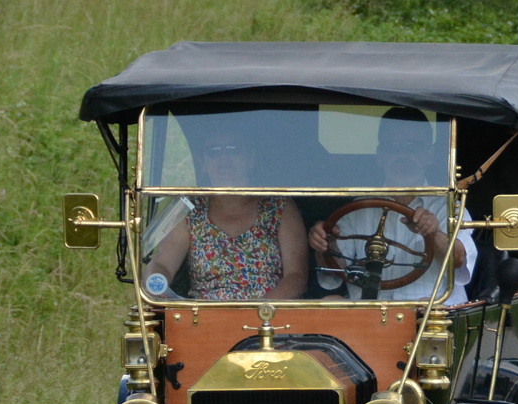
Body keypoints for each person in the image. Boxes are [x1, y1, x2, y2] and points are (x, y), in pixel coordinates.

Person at [309, 113, 477, 304]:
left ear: (429, 155)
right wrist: (324, 243)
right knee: (330, 302)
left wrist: (433, 233)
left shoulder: (449, 206)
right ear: (380, 155)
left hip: (430, 314)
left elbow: (459, 260)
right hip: (366, 315)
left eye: (413, 147)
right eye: (392, 147)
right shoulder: (358, 207)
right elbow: (334, 272)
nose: (403, 156)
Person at [141, 128, 308, 301]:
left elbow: (296, 278)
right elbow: (163, 263)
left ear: (251, 158)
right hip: (204, 318)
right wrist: (156, 282)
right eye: (214, 152)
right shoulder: (189, 208)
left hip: (269, 320)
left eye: (234, 149)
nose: (224, 159)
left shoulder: (279, 205)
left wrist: (257, 312)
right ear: (202, 163)